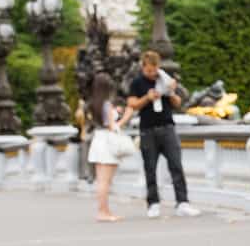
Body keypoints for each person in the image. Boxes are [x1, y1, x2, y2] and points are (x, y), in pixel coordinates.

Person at [124, 50, 199, 218]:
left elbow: (178, 103)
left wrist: (170, 92)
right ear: (143, 67)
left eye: (154, 69)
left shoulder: (164, 80)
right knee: (150, 168)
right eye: (149, 70)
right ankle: (153, 203)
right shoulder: (137, 83)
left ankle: (182, 202)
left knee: (176, 165)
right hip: (148, 130)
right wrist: (147, 98)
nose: (152, 74)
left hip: (167, 128)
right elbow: (132, 104)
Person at [85, 75, 131, 222]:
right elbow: (112, 127)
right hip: (107, 141)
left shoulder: (92, 103)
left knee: (101, 180)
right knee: (105, 181)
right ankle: (103, 212)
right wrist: (126, 116)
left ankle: (104, 210)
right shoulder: (106, 104)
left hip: (98, 139)